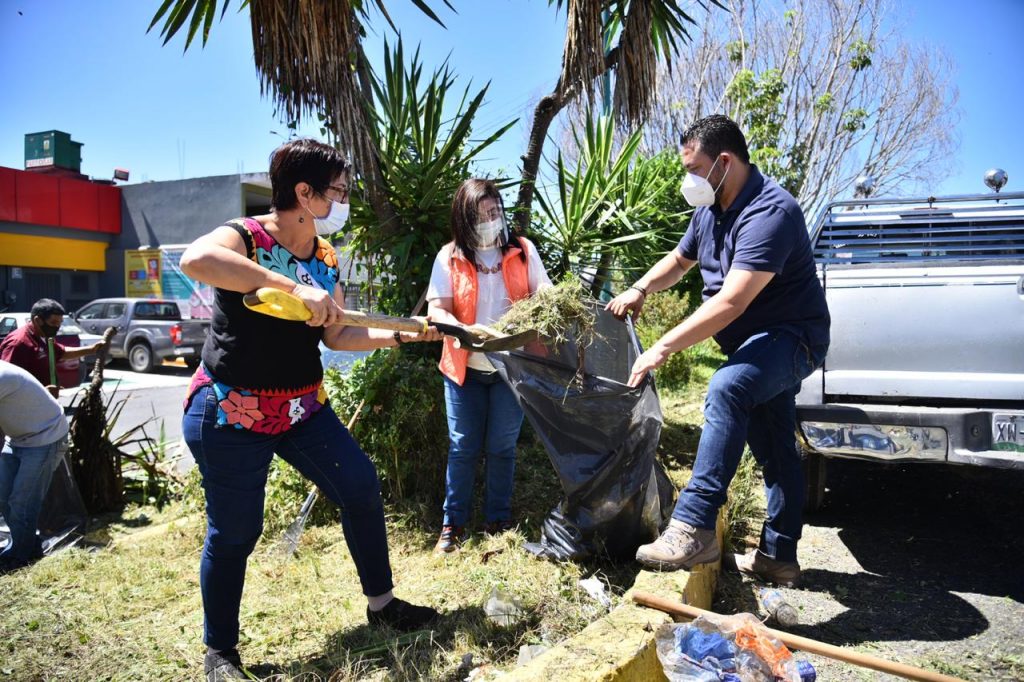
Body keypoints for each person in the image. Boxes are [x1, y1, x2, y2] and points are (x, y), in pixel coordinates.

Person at [178, 138, 443, 681]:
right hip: (232, 411)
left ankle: (383, 605)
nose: (344, 201)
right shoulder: (245, 236)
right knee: (235, 533)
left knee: (360, 487)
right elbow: (194, 259)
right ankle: (220, 654)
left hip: (302, 409)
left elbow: (339, 333)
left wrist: (406, 338)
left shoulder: (325, 256)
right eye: (339, 192)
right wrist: (286, 284)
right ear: (304, 193)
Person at [606, 115, 830, 587]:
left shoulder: (772, 212)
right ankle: (777, 556)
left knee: (727, 388)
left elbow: (731, 301)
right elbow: (680, 260)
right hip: (754, 346)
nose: (689, 178)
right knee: (774, 449)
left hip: (793, 340)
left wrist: (661, 348)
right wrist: (641, 288)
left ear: (724, 162)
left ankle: (694, 526)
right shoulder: (711, 209)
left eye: (694, 167)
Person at [426, 179, 552, 553]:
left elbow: (543, 291)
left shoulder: (522, 251)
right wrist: (464, 329)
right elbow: (437, 309)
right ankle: (453, 525)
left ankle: (499, 520)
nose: (490, 220)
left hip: (511, 369)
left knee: (502, 445)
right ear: (464, 219)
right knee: (463, 446)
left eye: (495, 212)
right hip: (464, 367)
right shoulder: (449, 256)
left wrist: (549, 302)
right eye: (481, 215)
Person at [0, 360, 69, 572]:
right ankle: (27, 545)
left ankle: (21, 557)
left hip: (45, 437)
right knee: (3, 495)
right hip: (18, 438)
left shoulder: (2, 376)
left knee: (22, 501)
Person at [0, 298, 107, 397]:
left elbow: (61, 352)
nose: (57, 327)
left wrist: (92, 349)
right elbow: (6, 381)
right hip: (25, 409)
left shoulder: (46, 337)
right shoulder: (18, 343)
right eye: (53, 323)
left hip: (44, 403)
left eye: (59, 323)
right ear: (37, 320)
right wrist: (42, 391)